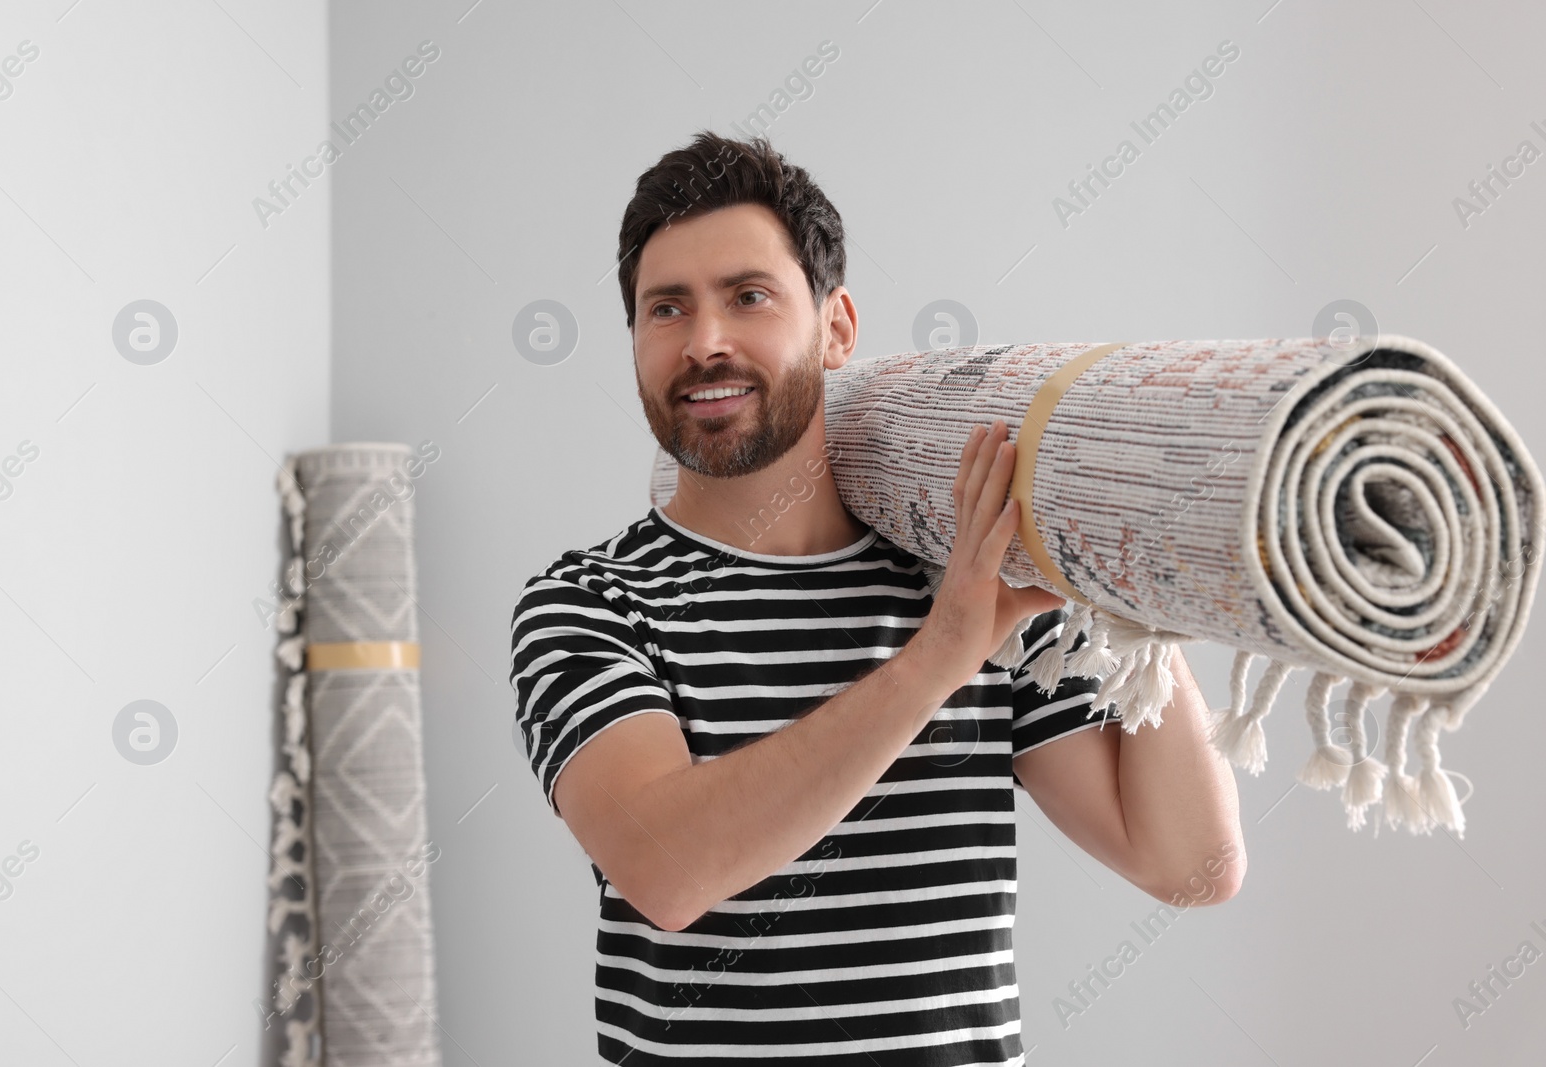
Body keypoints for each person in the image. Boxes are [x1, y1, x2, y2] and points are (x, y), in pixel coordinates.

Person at [509, 130, 1244, 1065]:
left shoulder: (973, 576)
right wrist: (939, 656)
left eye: (748, 296)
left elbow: (1191, 865)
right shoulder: (590, 603)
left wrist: (1107, 547)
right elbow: (667, 868)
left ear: (837, 327)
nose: (705, 342)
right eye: (667, 308)